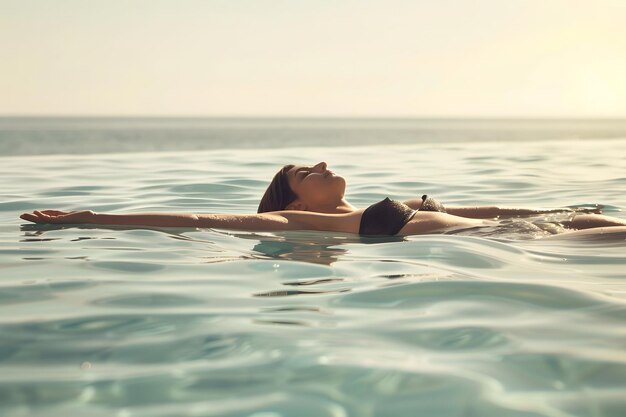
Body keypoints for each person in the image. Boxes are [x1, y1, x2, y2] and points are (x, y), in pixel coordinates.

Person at [19, 161, 626, 240]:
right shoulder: (290, 218)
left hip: (514, 232)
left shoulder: (364, 205)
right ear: (291, 193)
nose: (324, 166)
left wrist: (548, 209)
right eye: (306, 169)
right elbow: (194, 218)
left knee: (598, 220)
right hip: (505, 247)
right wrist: (89, 217)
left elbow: (486, 211)